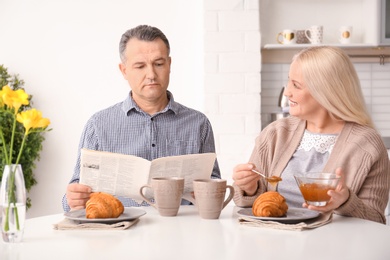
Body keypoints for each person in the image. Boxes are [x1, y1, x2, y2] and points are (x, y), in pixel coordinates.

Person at [62, 25, 220, 212]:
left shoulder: (198, 124)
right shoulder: (98, 125)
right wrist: (73, 199)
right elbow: (73, 196)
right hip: (119, 234)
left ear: (169, 65)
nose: (151, 74)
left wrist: (209, 192)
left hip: (181, 233)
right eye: (140, 66)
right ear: (124, 70)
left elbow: (215, 182)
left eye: (159, 64)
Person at [232, 46, 390, 224]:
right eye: (289, 81)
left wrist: (346, 201)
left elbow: (376, 220)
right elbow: (253, 206)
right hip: (272, 243)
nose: (287, 92)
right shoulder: (275, 134)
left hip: (334, 247)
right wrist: (249, 188)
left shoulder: (367, 145)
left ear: (326, 92)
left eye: (296, 85)